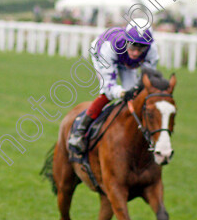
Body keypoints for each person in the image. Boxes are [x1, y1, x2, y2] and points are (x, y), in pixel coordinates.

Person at [67, 23, 159, 156]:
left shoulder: (152, 50)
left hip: (126, 63)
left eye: (141, 49)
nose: (136, 53)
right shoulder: (109, 48)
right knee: (107, 94)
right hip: (103, 55)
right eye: (133, 47)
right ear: (127, 41)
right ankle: (79, 131)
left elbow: (146, 79)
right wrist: (121, 93)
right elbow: (109, 86)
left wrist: (136, 90)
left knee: (136, 95)